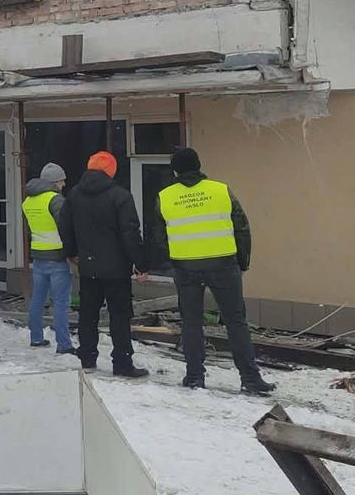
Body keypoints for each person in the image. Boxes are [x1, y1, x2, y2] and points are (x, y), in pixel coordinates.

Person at [150, 147, 275, 396]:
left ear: (175, 170)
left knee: (192, 322)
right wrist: (242, 261)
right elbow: (242, 227)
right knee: (236, 321)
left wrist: (176, 254)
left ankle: (195, 376)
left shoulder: (164, 196)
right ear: (198, 165)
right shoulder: (221, 190)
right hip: (223, 265)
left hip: (185, 267)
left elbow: (159, 236)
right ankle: (250, 378)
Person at [56, 151, 149, 378]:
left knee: (88, 314)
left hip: (88, 267)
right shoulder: (121, 196)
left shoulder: (75, 194)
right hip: (117, 269)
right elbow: (130, 234)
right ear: (111, 171)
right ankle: (122, 363)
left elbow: (64, 226)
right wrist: (141, 264)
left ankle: (87, 359)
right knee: (119, 316)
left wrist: (72, 252)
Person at [21, 163, 74, 354]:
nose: (64, 183)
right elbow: (65, 228)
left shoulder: (28, 201)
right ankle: (64, 344)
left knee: (38, 299)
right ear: (55, 182)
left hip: (38, 255)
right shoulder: (56, 200)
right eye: (62, 180)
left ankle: (36, 338)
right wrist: (73, 253)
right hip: (57, 257)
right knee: (60, 303)